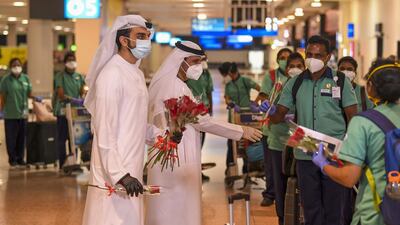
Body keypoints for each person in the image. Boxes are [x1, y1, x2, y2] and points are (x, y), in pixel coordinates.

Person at [146, 41, 263, 225]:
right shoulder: (175, 87)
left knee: (170, 208)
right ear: (181, 61)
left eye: (200, 61)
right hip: (177, 157)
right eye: (195, 61)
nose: (198, 66)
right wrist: (241, 131)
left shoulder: (174, 84)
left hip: (171, 155)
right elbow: (202, 121)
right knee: (178, 210)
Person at [260, 35, 359, 225]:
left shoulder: (341, 82)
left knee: (334, 209)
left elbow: (353, 118)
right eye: (310, 54)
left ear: (328, 57)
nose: (312, 59)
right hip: (306, 153)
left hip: (333, 153)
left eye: (318, 55)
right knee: (310, 207)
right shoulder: (295, 82)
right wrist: (270, 110)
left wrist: (351, 150)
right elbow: (279, 115)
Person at [82, 15, 160, 225]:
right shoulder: (111, 75)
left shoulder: (136, 73)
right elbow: (104, 130)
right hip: (114, 173)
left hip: (131, 166)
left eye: (148, 36)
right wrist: (120, 175)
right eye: (141, 36)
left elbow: (134, 122)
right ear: (123, 40)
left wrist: (162, 137)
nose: (146, 41)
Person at [311, 59, 400, 225]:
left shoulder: (364, 122)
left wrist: (324, 165)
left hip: (375, 214)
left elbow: (349, 178)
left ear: (370, 87)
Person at [267, 52, 305, 225]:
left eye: (299, 66)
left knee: (301, 184)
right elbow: (273, 114)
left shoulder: (308, 87)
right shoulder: (280, 86)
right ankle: (283, 219)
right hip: (278, 141)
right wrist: (271, 111)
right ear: (286, 68)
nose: (295, 69)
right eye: (292, 66)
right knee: (280, 183)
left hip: (301, 143)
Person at [258, 48, 293, 207]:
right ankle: (270, 193)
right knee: (271, 165)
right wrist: (269, 108)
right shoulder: (273, 77)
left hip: (293, 132)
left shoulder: (301, 80)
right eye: (282, 58)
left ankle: (287, 197)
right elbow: (264, 96)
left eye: (288, 58)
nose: (285, 60)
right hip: (272, 129)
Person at [221, 62, 261, 177]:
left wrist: (255, 102)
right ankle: (230, 168)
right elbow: (227, 99)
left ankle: (247, 168)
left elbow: (260, 89)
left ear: (234, 72)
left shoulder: (245, 80)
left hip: (246, 117)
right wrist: (231, 104)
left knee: (245, 142)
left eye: (230, 74)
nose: (230, 77)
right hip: (234, 117)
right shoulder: (229, 85)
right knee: (232, 144)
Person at [0, 58, 41, 167]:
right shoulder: (6, 80)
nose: (16, 67)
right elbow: (2, 97)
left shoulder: (25, 78)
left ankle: (20, 158)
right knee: (11, 138)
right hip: (11, 114)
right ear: (10, 67)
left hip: (23, 114)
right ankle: (12, 159)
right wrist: (1, 110)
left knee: (22, 138)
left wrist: (36, 98)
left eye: (18, 65)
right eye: (14, 65)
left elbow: (29, 93)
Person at [53, 52, 86, 169]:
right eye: (69, 60)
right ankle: (63, 164)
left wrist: (82, 99)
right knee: (62, 139)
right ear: (65, 63)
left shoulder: (79, 77)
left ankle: (74, 162)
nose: (72, 62)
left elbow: (83, 92)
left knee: (75, 138)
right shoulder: (60, 76)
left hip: (75, 113)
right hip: (63, 111)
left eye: (73, 59)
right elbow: (61, 95)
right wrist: (73, 100)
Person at [186, 56, 214, 182]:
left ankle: (198, 171)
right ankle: (191, 172)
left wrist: (210, 110)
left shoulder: (206, 74)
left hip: (204, 111)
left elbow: (209, 92)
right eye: (198, 60)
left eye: (203, 60)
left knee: (200, 143)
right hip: (190, 113)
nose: (201, 63)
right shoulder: (188, 74)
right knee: (192, 143)